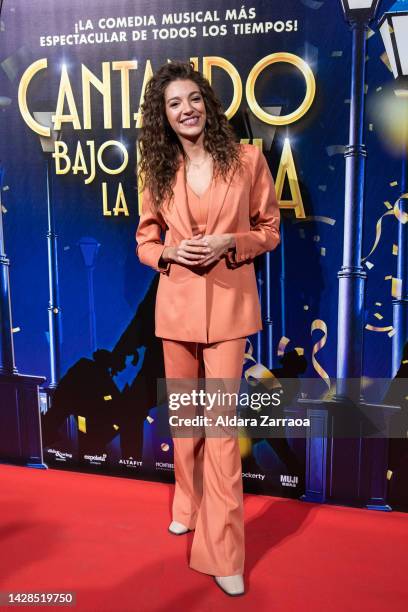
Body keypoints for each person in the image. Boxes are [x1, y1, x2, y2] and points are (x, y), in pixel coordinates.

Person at [135, 60, 281, 596]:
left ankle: (223, 550)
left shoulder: (247, 159)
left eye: (193, 99)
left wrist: (231, 243)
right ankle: (186, 502)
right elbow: (145, 242)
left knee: (220, 431)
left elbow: (270, 230)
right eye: (174, 104)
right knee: (184, 417)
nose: (186, 110)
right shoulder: (156, 171)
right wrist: (168, 252)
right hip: (174, 308)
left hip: (228, 308)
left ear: (207, 104)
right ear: (164, 116)